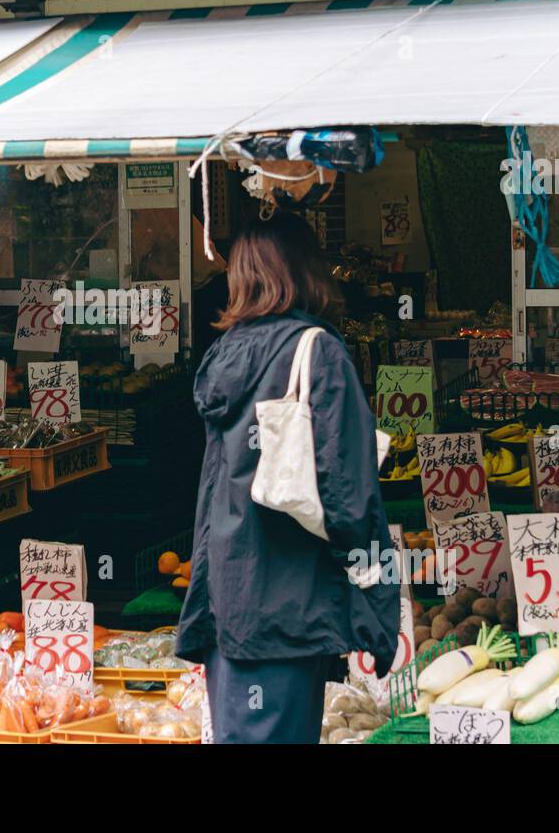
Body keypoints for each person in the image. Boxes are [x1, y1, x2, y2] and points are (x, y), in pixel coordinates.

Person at [175, 208, 400, 744]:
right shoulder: (316, 352)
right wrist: (379, 602)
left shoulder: (224, 355)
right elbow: (350, 497)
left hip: (229, 602)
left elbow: (212, 491)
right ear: (307, 269)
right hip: (286, 605)